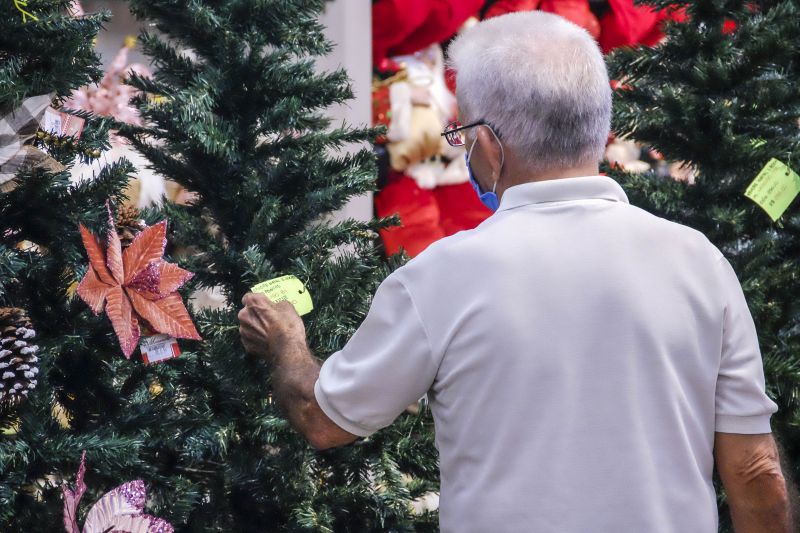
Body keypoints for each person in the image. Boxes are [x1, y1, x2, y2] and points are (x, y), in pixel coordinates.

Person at [238, 11, 793, 532]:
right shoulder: (699, 262)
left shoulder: (442, 277)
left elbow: (322, 417)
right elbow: (756, 473)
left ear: (488, 145)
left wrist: (286, 341)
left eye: (461, 139)